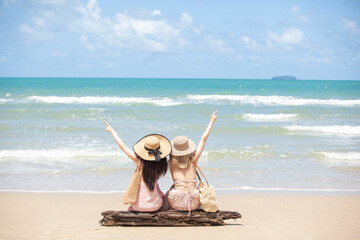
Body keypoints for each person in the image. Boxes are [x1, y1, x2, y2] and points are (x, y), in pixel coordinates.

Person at [104, 121, 171, 212]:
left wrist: (112, 131)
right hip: (155, 206)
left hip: (137, 207)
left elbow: (122, 147)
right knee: (159, 191)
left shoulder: (140, 162)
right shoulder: (160, 163)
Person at [166, 111, 218, 214]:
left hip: (176, 202)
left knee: (169, 192)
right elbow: (203, 139)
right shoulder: (193, 160)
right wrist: (212, 121)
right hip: (194, 202)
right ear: (188, 148)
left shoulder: (171, 163)